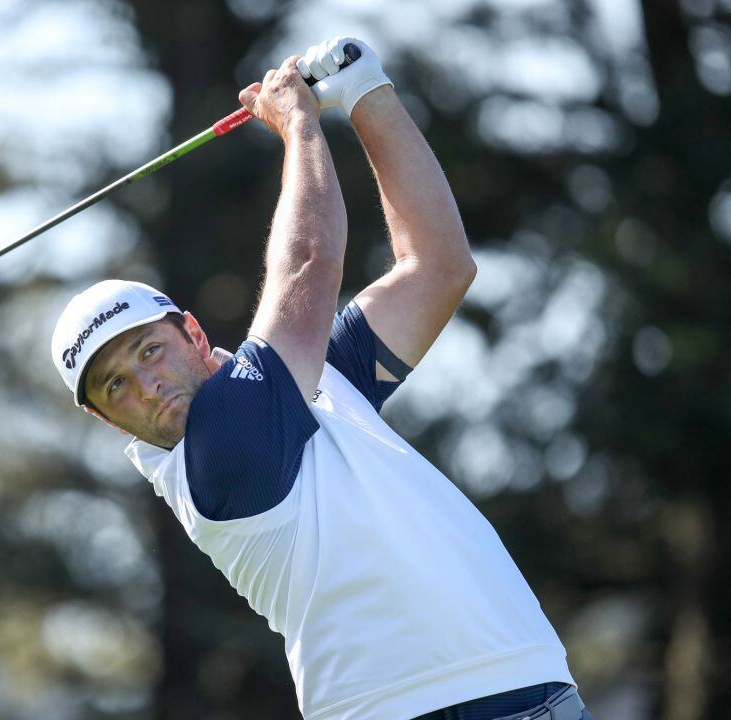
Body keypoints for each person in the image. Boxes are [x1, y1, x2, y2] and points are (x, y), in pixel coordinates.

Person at [50, 36, 592, 720]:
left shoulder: (311, 385)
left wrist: (366, 92)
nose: (145, 386)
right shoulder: (220, 451)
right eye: (115, 386)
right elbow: (308, 262)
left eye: (147, 353)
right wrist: (299, 122)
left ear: (192, 332)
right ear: (106, 420)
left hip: (510, 692)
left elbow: (438, 265)